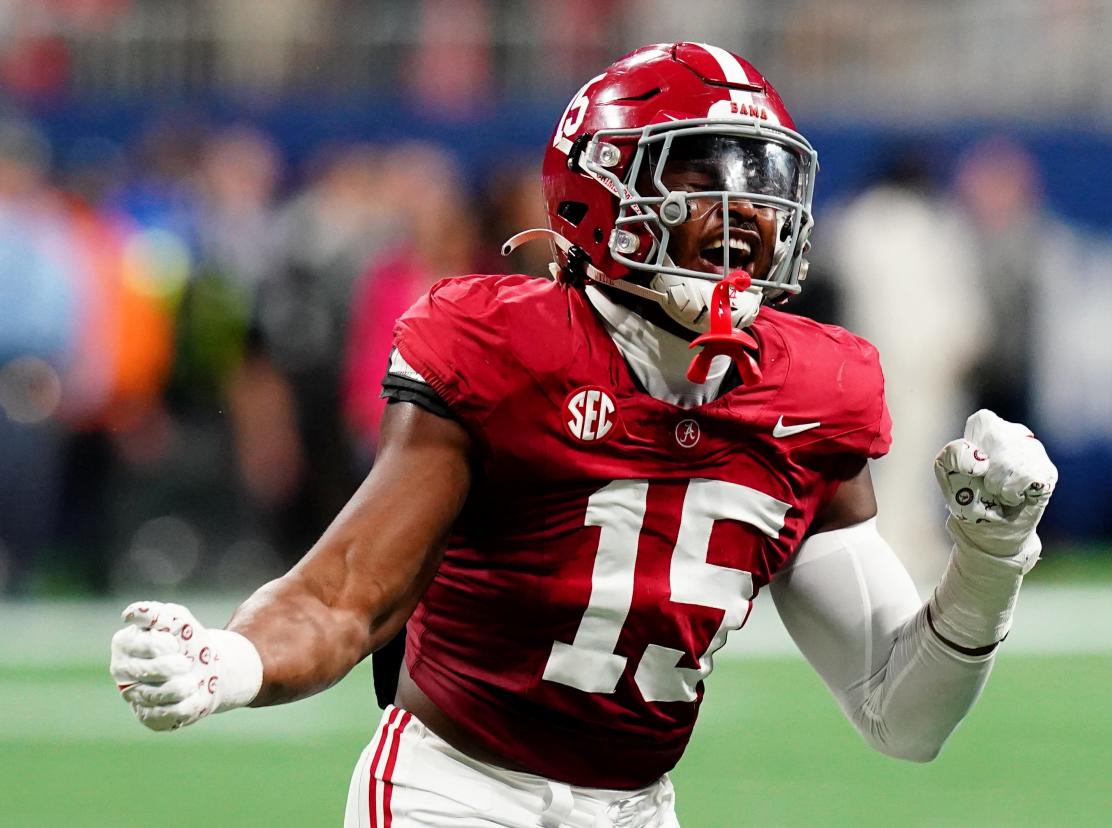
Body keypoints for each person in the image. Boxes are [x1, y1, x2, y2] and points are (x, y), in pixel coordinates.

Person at [110, 43, 1057, 828]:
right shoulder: (508, 347)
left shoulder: (812, 389)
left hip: (637, 809)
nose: (744, 219)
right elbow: (346, 595)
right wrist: (231, 660)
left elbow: (904, 719)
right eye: (698, 178)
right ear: (596, 194)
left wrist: (988, 562)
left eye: (759, 187)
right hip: (457, 794)